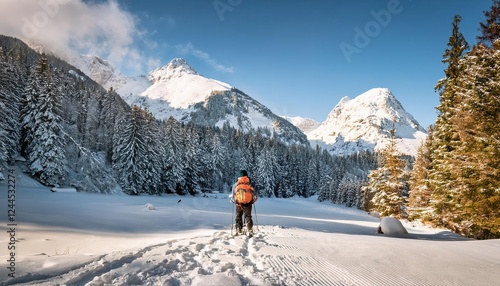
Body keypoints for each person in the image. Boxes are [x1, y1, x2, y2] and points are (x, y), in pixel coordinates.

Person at [230, 170, 257, 236]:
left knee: (238, 216)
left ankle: (239, 229)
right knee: (248, 216)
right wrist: (252, 201)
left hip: (239, 203)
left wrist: (234, 200)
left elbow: (233, 195)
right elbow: (254, 195)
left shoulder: (235, 185)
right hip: (248, 204)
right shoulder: (249, 184)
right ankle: (250, 230)